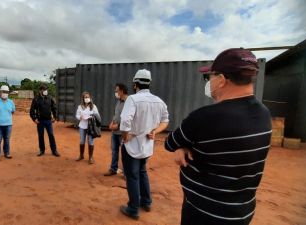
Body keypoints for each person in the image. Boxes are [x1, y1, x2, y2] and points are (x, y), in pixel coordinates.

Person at [164, 48, 271, 225]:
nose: (207, 81)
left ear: (221, 80)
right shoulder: (264, 114)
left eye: (208, 77)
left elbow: (170, 143)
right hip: (242, 212)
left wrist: (182, 146)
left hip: (205, 212)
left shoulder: (205, 117)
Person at [119, 69, 169, 220]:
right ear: (149, 83)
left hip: (132, 146)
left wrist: (125, 136)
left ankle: (133, 209)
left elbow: (125, 121)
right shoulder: (158, 101)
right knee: (142, 172)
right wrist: (155, 131)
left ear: (135, 84)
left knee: (132, 176)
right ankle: (146, 202)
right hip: (147, 145)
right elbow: (165, 120)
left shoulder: (132, 99)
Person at [104, 83, 129, 176]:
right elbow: (116, 114)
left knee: (125, 154)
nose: (115, 92)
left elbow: (128, 117)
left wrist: (118, 126)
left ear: (122, 91)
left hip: (123, 133)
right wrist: (112, 123)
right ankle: (113, 169)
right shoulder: (118, 101)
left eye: (116, 90)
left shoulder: (129, 102)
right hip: (115, 132)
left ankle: (126, 173)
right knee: (114, 151)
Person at [30, 85, 60, 157]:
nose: (45, 91)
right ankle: (41, 150)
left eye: (46, 89)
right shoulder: (36, 99)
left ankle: (54, 150)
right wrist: (34, 119)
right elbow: (32, 110)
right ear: (40, 90)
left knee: (51, 135)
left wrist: (54, 117)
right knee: (41, 136)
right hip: (40, 121)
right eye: (44, 89)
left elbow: (54, 107)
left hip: (48, 120)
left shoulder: (50, 98)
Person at [75, 91, 100, 164]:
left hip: (90, 127)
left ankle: (90, 157)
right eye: (85, 97)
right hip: (82, 126)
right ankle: (81, 155)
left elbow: (97, 116)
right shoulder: (80, 107)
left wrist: (92, 117)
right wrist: (80, 117)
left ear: (90, 98)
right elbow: (77, 115)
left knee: (90, 141)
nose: (87, 98)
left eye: (88, 97)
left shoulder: (93, 106)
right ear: (83, 98)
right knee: (82, 140)